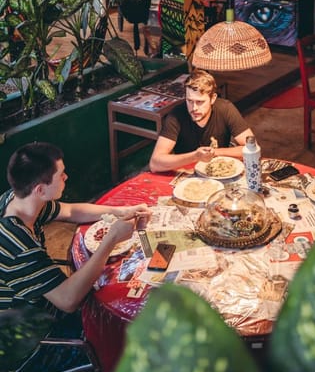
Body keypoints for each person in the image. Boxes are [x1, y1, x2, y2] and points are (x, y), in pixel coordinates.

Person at [0, 141, 148, 317]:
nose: (66, 177)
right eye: (61, 175)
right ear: (40, 189)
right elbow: (68, 301)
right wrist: (111, 238)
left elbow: (70, 211)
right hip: (25, 319)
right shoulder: (19, 246)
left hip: (38, 289)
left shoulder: (19, 199)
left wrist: (121, 211)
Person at [149, 69, 254, 172]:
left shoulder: (226, 109)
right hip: (187, 171)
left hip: (219, 169)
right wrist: (195, 156)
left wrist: (214, 152)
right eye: (189, 101)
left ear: (213, 98)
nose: (194, 108)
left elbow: (252, 149)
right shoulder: (176, 115)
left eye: (200, 102)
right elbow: (155, 164)